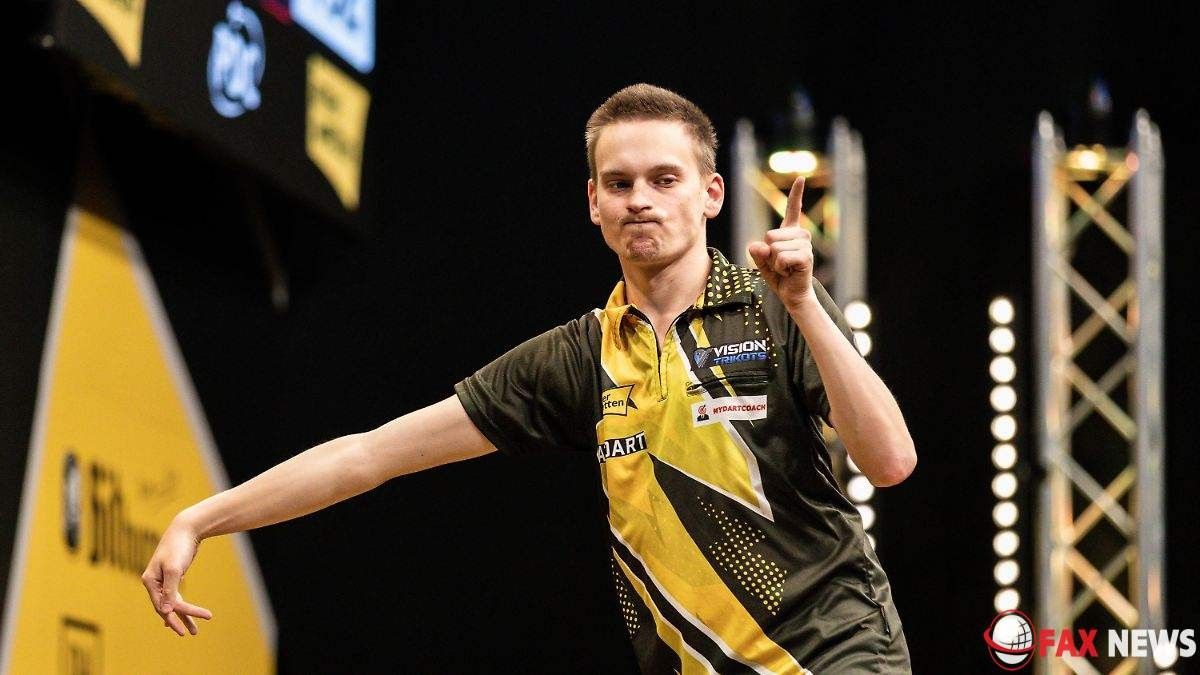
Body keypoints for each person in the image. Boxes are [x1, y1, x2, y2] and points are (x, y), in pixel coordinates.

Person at [142, 83, 916, 673]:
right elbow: (369, 454)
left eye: (664, 179)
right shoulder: (580, 356)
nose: (640, 200)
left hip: (837, 652)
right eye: (619, 183)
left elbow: (889, 460)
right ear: (593, 202)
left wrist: (804, 304)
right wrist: (202, 517)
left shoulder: (773, 307)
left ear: (712, 193)